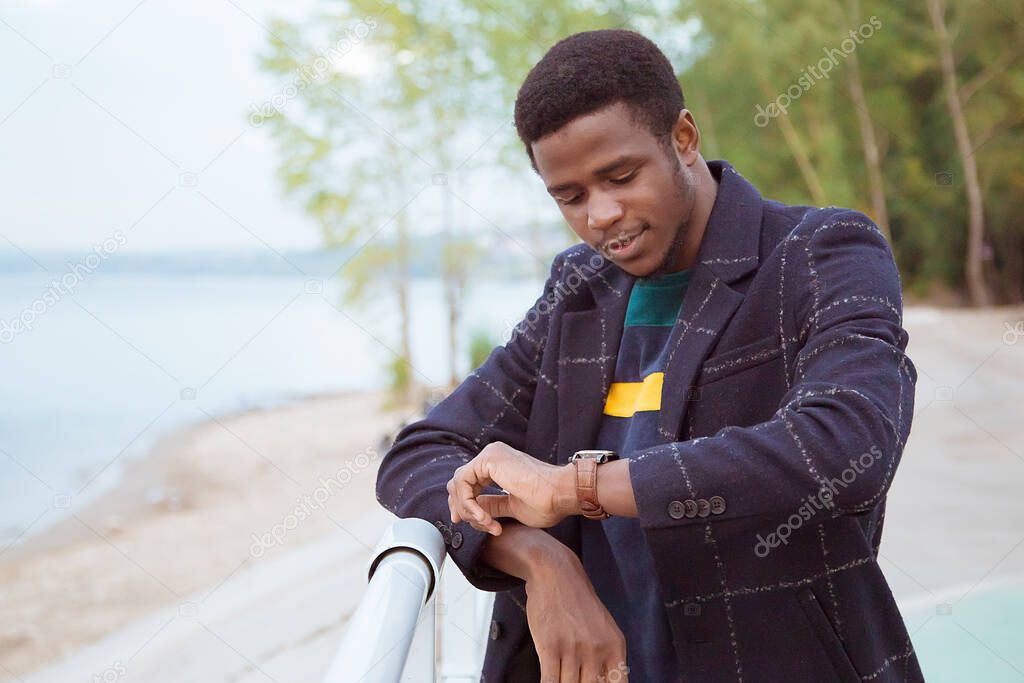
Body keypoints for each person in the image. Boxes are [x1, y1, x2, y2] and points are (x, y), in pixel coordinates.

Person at [377, 28, 923, 682]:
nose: (601, 214)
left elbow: (844, 445)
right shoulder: (575, 292)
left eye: (620, 176)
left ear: (683, 138)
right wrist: (541, 561)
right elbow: (419, 452)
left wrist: (574, 487)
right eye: (570, 196)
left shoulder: (819, 251)